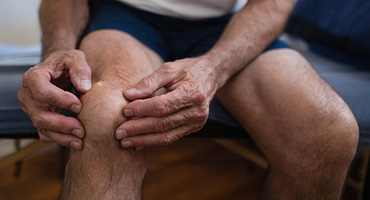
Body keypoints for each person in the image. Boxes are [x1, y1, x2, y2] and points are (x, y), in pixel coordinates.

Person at [17, 0, 359, 199]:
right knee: (110, 117)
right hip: (122, 14)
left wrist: (214, 69)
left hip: (223, 27)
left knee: (328, 132)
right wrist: (58, 49)